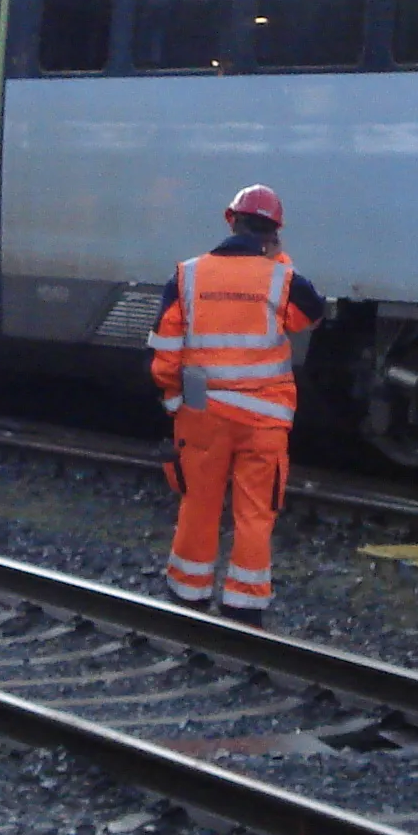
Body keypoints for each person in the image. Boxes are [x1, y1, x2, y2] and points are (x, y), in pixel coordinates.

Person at [147, 183, 326, 624]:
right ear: (274, 234)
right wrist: (277, 262)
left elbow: (165, 354)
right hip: (263, 423)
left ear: (230, 220)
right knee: (255, 513)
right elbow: (311, 317)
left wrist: (173, 403)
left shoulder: (186, 275)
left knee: (198, 504)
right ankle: (243, 605)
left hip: (202, 416)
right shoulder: (283, 278)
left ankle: (189, 594)